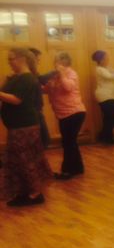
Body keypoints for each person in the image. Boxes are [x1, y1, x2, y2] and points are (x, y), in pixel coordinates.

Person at [0, 48, 51, 206]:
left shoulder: (28, 78)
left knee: (26, 160)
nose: (9, 62)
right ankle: (25, 191)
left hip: (24, 126)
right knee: (18, 161)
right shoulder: (18, 77)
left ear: (22, 59)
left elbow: (17, 100)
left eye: (11, 59)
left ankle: (35, 194)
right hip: (17, 126)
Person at [43, 52, 87, 180]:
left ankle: (67, 171)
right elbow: (46, 89)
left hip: (74, 113)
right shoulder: (55, 76)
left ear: (65, 62)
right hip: (63, 114)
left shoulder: (71, 73)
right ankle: (78, 168)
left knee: (68, 142)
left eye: (57, 61)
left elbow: (68, 87)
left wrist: (62, 73)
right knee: (70, 142)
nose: (55, 64)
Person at [92, 50, 114, 145]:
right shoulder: (99, 69)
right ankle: (105, 137)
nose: (108, 59)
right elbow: (111, 77)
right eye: (106, 57)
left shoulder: (105, 68)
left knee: (108, 118)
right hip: (105, 96)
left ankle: (106, 138)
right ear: (101, 59)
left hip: (108, 96)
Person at [28, 48, 50, 148]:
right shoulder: (26, 75)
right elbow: (41, 80)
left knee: (44, 140)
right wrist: (55, 72)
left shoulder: (34, 74)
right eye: (37, 59)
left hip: (37, 110)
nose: (38, 62)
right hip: (32, 112)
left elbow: (39, 87)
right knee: (43, 139)